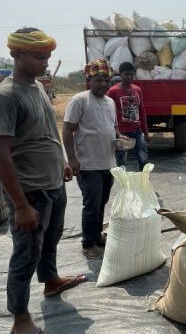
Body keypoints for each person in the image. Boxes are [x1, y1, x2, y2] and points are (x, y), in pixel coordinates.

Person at [0, 27, 87, 334]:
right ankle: (20, 320)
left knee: (51, 240)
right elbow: (0, 155)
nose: (45, 62)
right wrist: (20, 206)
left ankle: (51, 280)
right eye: (38, 57)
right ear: (16, 54)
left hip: (53, 184)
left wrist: (61, 163)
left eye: (48, 57)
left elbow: (46, 132)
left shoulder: (38, 87)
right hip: (29, 192)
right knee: (25, 254)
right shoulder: (6, 96)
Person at [63, 58, 122, 260]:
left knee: (102, 201)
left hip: (108, 163)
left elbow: (112, 128)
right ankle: (88, 244)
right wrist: (71, 159)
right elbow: (67, 130)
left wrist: (120, 138)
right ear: (89, 80)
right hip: (88, 164)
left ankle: (96, 235)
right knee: (92, 204)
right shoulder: (79, 100)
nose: (103, 84)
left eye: (106, 80)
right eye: (98, 80)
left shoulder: (110, 102)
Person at [106, 61, 151, 171]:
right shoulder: (112, 92)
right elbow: (109, 114)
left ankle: (145, 185)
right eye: (126, 74)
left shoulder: (137, 89)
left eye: (131, 74)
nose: (129, 77)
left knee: (143, 159)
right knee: (121, 162)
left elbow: (141, 111)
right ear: (120, 75)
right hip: (122, 133)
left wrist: (146, 132)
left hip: (137, 130)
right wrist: (115, 133)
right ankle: (123, 186)